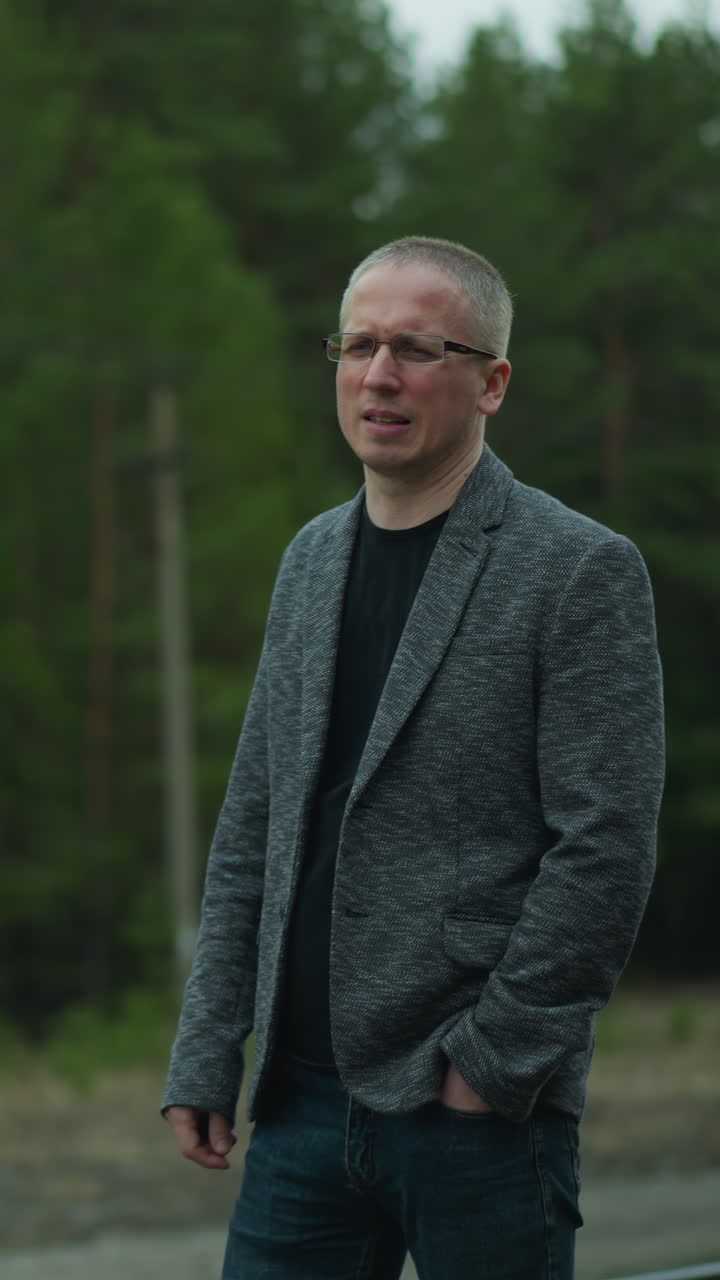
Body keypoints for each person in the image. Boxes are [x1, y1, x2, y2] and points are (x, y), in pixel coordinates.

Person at [162, 235, 665, 1279]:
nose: (379, 374)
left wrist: (489, 1065)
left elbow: (605, 848)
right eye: (358, 345)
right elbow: (255, 824)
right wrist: (209, 1045)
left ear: (493, 382)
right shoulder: (310, 559)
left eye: (417, 348)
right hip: (297, 1108)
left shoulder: (579, 569)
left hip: (476, 1116)